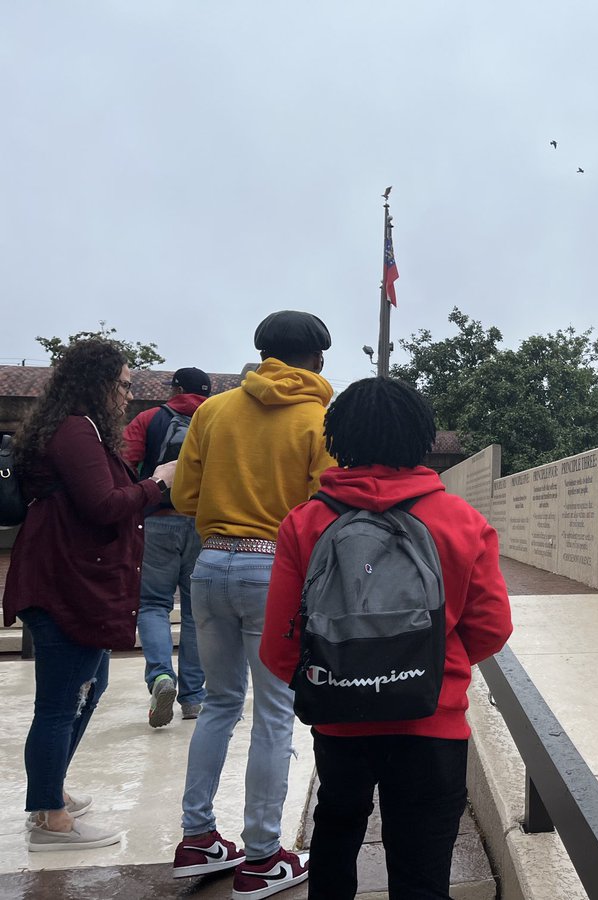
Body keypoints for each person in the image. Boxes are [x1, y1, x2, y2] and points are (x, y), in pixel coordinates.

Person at [260, 377, 513, 900]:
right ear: (420, 438)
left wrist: (336, 682)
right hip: (431, 720)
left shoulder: (305, 523)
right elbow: (492, 627)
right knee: (422, 866)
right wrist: (433, 670)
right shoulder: (462, 521)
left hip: (338, 719)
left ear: (339, 438)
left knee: (336, 828)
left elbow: (280, 645)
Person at [170, 312, 336, 898]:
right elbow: (327, 508)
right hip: (275, 570)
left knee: (218, 703)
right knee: (273, 711)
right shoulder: (319, 419)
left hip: (211, 562)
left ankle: (198, 838)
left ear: (261, 351)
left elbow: (184, 495)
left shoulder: (213, 411)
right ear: (316, 359)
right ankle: (263, 855)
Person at [2, 339, 176, 851]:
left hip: (65, 578)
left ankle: (48, 793)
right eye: (123, 384)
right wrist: (157, 484)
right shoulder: (77, 429)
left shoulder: (74, 427)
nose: (126, 394)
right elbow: (103, 504)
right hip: (65, 583)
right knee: (59, 703)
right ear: (97, 383)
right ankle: (49, 818)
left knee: (89, 686)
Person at [123, 366, 212, 727]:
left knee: (153, 604)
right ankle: (193, 699)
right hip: (203, 523)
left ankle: (161, 676)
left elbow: (126, 466)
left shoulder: (147, 419)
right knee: (195, 614)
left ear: (174, 388)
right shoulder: (217, 419)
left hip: (156, 520)